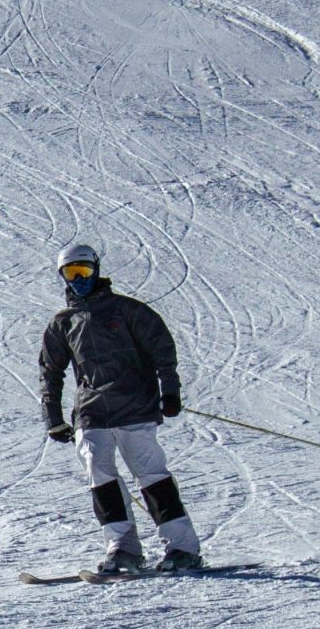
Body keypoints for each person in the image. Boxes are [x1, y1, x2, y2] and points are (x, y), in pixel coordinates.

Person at [39, 244, 203, 575]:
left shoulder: (128, 311)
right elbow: (50, 372)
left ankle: (182, 548)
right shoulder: (63, 323)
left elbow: (163, 349)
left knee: (152, 476)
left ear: (96, 270)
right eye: (71, 273)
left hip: (135, 408)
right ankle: (123, 548)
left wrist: (170, 391)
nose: (79, 279)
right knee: (100, 477)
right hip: (91, 413)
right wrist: (53, 418)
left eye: (84, 271)